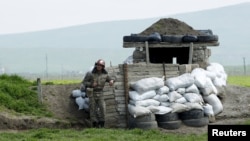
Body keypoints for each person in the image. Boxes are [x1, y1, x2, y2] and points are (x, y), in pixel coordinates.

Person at [82, 59, 115, 128]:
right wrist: (91, 84)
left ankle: (102, 123)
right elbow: (84, 82)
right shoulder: (90, 74)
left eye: (100, 65)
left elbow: (110, 79)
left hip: (100, 93)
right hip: (92, 92)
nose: (98, 66)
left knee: (102, 108)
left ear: (103, 66)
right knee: (92, 108)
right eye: (97, 65)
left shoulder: (105, 74)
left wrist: (111, 81)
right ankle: (94, 124)